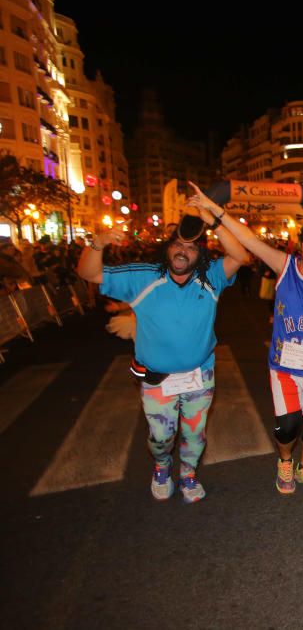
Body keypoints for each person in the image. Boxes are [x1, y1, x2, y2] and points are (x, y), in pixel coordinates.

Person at [76, 211, 248, 503]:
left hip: (199, 375)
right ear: (167, 248)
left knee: (195, 434)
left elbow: (239, 255)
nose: (184, 251)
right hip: (158, 378)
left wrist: (215, 220)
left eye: (192, 246)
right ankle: (162, 465)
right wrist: (98, 243)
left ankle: (189, 474)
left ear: (201, 253)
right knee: (161, 437)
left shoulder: (212, 278)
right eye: (179, 244)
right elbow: (89, 273)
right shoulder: (143, 275)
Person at [187, 185, 303, 494]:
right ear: (301, 245)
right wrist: (215, 211)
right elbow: (248, 239)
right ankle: (285, 459)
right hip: (284, 366)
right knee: (287, 426)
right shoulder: (283, 265)